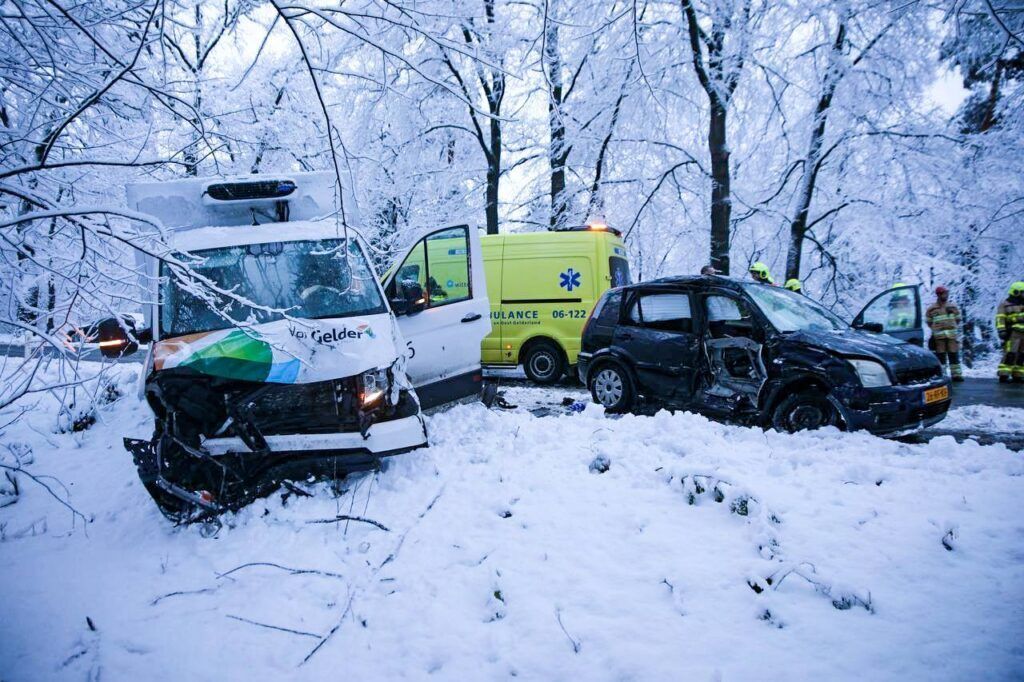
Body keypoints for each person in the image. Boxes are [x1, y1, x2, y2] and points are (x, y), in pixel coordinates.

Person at [926, 286, 963, 381]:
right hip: (939, 338)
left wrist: (951, 327)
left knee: (953, 355)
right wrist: (937, 330)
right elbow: (929, 322)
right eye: (944, 294)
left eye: (947, 293)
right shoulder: (932, 309)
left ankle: (956, 375)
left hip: (951, 337)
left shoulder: (952, 307)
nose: (946, 295)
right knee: (941, 356)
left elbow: (958, 319)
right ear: (939, 295)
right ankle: (942, 375)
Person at [996, 281, 1024, 382]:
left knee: (1021, 355)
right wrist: (1002, 330)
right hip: (1012, 333)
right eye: (1022, 292)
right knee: (1010, 353)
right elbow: (1000, 318)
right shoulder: (1005, 305)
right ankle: (1004, 374)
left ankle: (1018, 375)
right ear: (1016, 292)